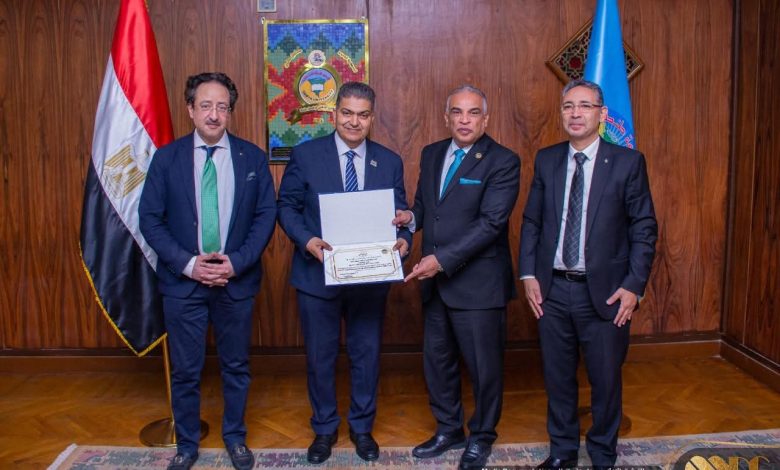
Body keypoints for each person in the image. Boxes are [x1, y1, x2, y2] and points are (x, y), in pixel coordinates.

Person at [139, 72, 276, 470]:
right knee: (185, 371)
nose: (214, 115)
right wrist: (189, 265)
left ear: (230, 111)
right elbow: (150, 220)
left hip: (236, 281)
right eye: (205, 106)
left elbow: (265, 216)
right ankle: (186, 445)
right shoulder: (167, 159)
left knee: (236, 366)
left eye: (222, 107)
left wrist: (238, 262)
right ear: (190, 110)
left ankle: (235, 437)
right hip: (183, 285)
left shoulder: (252, 158)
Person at [518, 79, 657, 469]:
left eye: (584, 106)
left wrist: (634, 286)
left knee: (606, 380)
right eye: (568, 106)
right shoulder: (547, 159)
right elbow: (531, 222)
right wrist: (528, 274)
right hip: (552, 290)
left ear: (602, 114)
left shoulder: (628, 162)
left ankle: (602, 455)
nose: (575, 113)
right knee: (558, 377)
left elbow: (644, 228)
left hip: (607, 293)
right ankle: (562, 452)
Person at [276, 82, 412, 464]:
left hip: (369, 279)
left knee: (366, 355)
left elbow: (400, 214)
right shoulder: (306, 155)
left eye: (363, 115)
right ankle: (324, 429)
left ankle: (362, 427)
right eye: (347, 113)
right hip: (316, 275)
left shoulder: (389, 161)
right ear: (334, 113)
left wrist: (404, 240)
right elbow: (286, 206)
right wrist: (307, 241)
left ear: (372, 118)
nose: (354, 121)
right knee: (320, 357)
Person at [393, 84, 520, 470]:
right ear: (446, 117)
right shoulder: (432, 153)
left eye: (473, 113)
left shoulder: (503, 161)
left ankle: (482, 436)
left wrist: (441, 260)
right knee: (438, 362)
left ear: (486, 119)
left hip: (479, 285)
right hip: (435, 285)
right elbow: (425, 207)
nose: (465, 120)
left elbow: (491, 224)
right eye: (457, 112)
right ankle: (449, 429)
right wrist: (409, 219)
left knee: (484, 368)